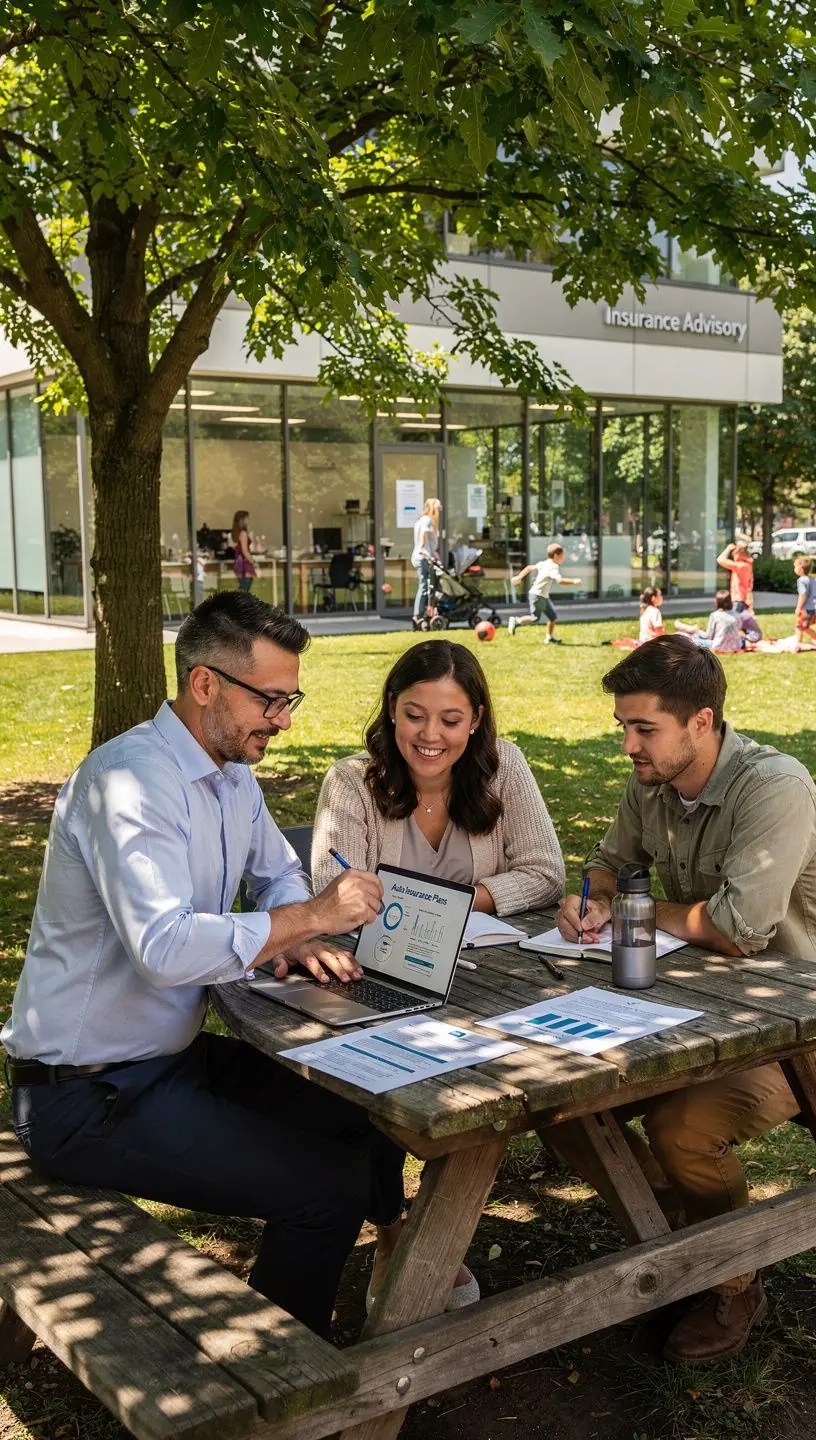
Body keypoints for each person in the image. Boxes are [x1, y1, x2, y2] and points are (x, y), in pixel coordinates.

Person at [1, 592, 404, 1339]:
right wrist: (312, 918)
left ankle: (400, 1271)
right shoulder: (128, 782)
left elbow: (278, 874)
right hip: (81, 1097)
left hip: (163, 1064)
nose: (284, 720)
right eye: (272, 700)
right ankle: (284, 1379)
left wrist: (295, 929)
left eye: (293, 699)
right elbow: (164, 949)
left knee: (362, 1112)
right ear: (205, 684)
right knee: (327, 1188)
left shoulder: (229, 776)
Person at [557, 635, 816, 1363]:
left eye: (644, 730)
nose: (629, 747)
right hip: (690, 1007)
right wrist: (592, 900)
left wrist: (638, 908)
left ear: (701, 723)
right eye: (624, 728)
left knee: (681, 1132)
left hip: (789, 1024)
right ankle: (681, 1237)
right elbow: (607, 864)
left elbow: (737, 929)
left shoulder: (775, 786)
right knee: (563, 1108)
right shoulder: (650, 782)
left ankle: (731, 1281)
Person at [313, 638, 565, 1310]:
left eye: (450, 720)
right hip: (382, 977)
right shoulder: (351, 781)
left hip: (487, 976)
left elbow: (545, 872)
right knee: (368, 1080)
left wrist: (464, 902)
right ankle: (395, 1231)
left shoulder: (503, 766)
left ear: (476, 718)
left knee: (508, 1081)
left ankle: (436, 1222)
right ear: (391, 713)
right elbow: (332, 889)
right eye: (414, 715)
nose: (431, 735)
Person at [508, 543, 583, 643]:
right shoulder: (553, 567)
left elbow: (530, 567)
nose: (563, 558)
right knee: (535, 618)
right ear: (556, 555)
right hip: (537, 596)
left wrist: (519, 577)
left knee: (552, 617)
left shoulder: (544, 563)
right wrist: (574, 581)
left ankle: (549, 637)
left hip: (542, 596)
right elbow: (559, 581)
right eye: (562, 556)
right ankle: (516, 620)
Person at [675, 590, 741, 652]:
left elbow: (708, 636)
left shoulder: (715, 615)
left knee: (689, 638)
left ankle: (685, 628)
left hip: (719, 646)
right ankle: (686, 628)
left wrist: (696, 631)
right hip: (735, 646)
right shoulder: (737, 614)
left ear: (718, 602)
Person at [410, 497, 441, 629]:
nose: (439, 511)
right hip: (422, 557)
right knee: (424, 586)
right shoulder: (427, 520)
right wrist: (425, 550)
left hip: (420, 556)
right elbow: (423, 540)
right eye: (438, 508)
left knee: (426, 586)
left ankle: (422, 614)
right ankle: (417, 615)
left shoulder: (420, 520)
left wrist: (435, 554)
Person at [716, 541, 754, 614]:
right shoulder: (747, 565)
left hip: (739, 601)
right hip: (743, 601)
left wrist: (728, 548)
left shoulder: (741, 566)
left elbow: (720, 560)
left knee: (733, 622)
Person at [232, 509, 257, 592]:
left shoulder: (237, 533)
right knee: (244, 588)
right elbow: (244, 551)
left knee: (243, 588)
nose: (248, 521)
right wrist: (253, 562)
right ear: (242, 520)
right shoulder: (243, 533)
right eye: (247, 518)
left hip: (239, 563)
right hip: (244, 564)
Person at [793, 555, 816, 646]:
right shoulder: (812, 579)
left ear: (800, 568)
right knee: (799, 625)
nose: (794, 569)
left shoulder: (802, 580)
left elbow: (803, 595)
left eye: (795, 566)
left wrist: (798, 608)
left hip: (807, 609)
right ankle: (798, 642)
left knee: (803, 626)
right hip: (813, 607)